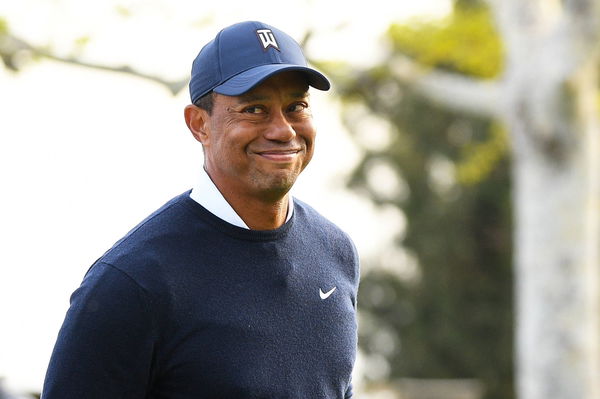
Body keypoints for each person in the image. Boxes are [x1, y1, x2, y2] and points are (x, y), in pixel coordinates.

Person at [42, 20, 359, 398]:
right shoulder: (132, 283)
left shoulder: (335, 251)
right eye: (254, 109)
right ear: (199, 124)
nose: (283, 129)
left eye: (296, 107)